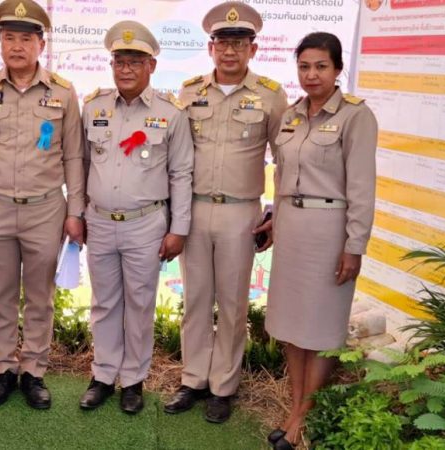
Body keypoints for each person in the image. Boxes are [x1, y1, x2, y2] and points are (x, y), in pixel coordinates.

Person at [0, 0, 85, 410]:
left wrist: (75, 212)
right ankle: (3, 368)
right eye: (9, 37)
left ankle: (33, 371)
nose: (17, 46)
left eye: (26, 39)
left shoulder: (63, 92)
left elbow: (74, 156)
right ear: (0, 42)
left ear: (40, 45)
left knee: (40, 296)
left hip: (45, 209)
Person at [167, 1, 288, 423]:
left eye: (239, 43)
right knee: (196, 299)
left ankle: (223, 386)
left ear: (253, 49)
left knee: (234, 304)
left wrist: (275, 213)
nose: (230, 51)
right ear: (210, 47)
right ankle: (193, 379)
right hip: (195, 209)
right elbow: (175, 157)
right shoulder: (189, 92)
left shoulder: (270, 95)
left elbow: (285, 158)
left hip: (241, 213)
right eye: (222, 42)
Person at [264, 32, 377, 450]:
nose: (312, 75)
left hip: (329, 232)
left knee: (322, 326)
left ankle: (304, 418)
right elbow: (281, 176)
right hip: (291, 229)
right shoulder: (291, 115)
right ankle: (294, 407)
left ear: (338, 69)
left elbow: (362, 189)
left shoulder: (355, 116)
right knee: (293, 325)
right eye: (304, 66)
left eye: (321, 66)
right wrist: (274, 221)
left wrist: (354, 246)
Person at [78, 21, 193, 415]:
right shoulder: (93, 107)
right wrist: (77, 214)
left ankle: (133, 380)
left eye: (135, 62)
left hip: (146, 223)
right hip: (99, 220)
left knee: (140, 304)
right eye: (120, 61)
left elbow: (181, 174)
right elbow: (80, 164)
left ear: (151, 66)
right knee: (104, 303)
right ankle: (103, 375)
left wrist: (179, 228)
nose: (126, 69)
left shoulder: (170, 113)